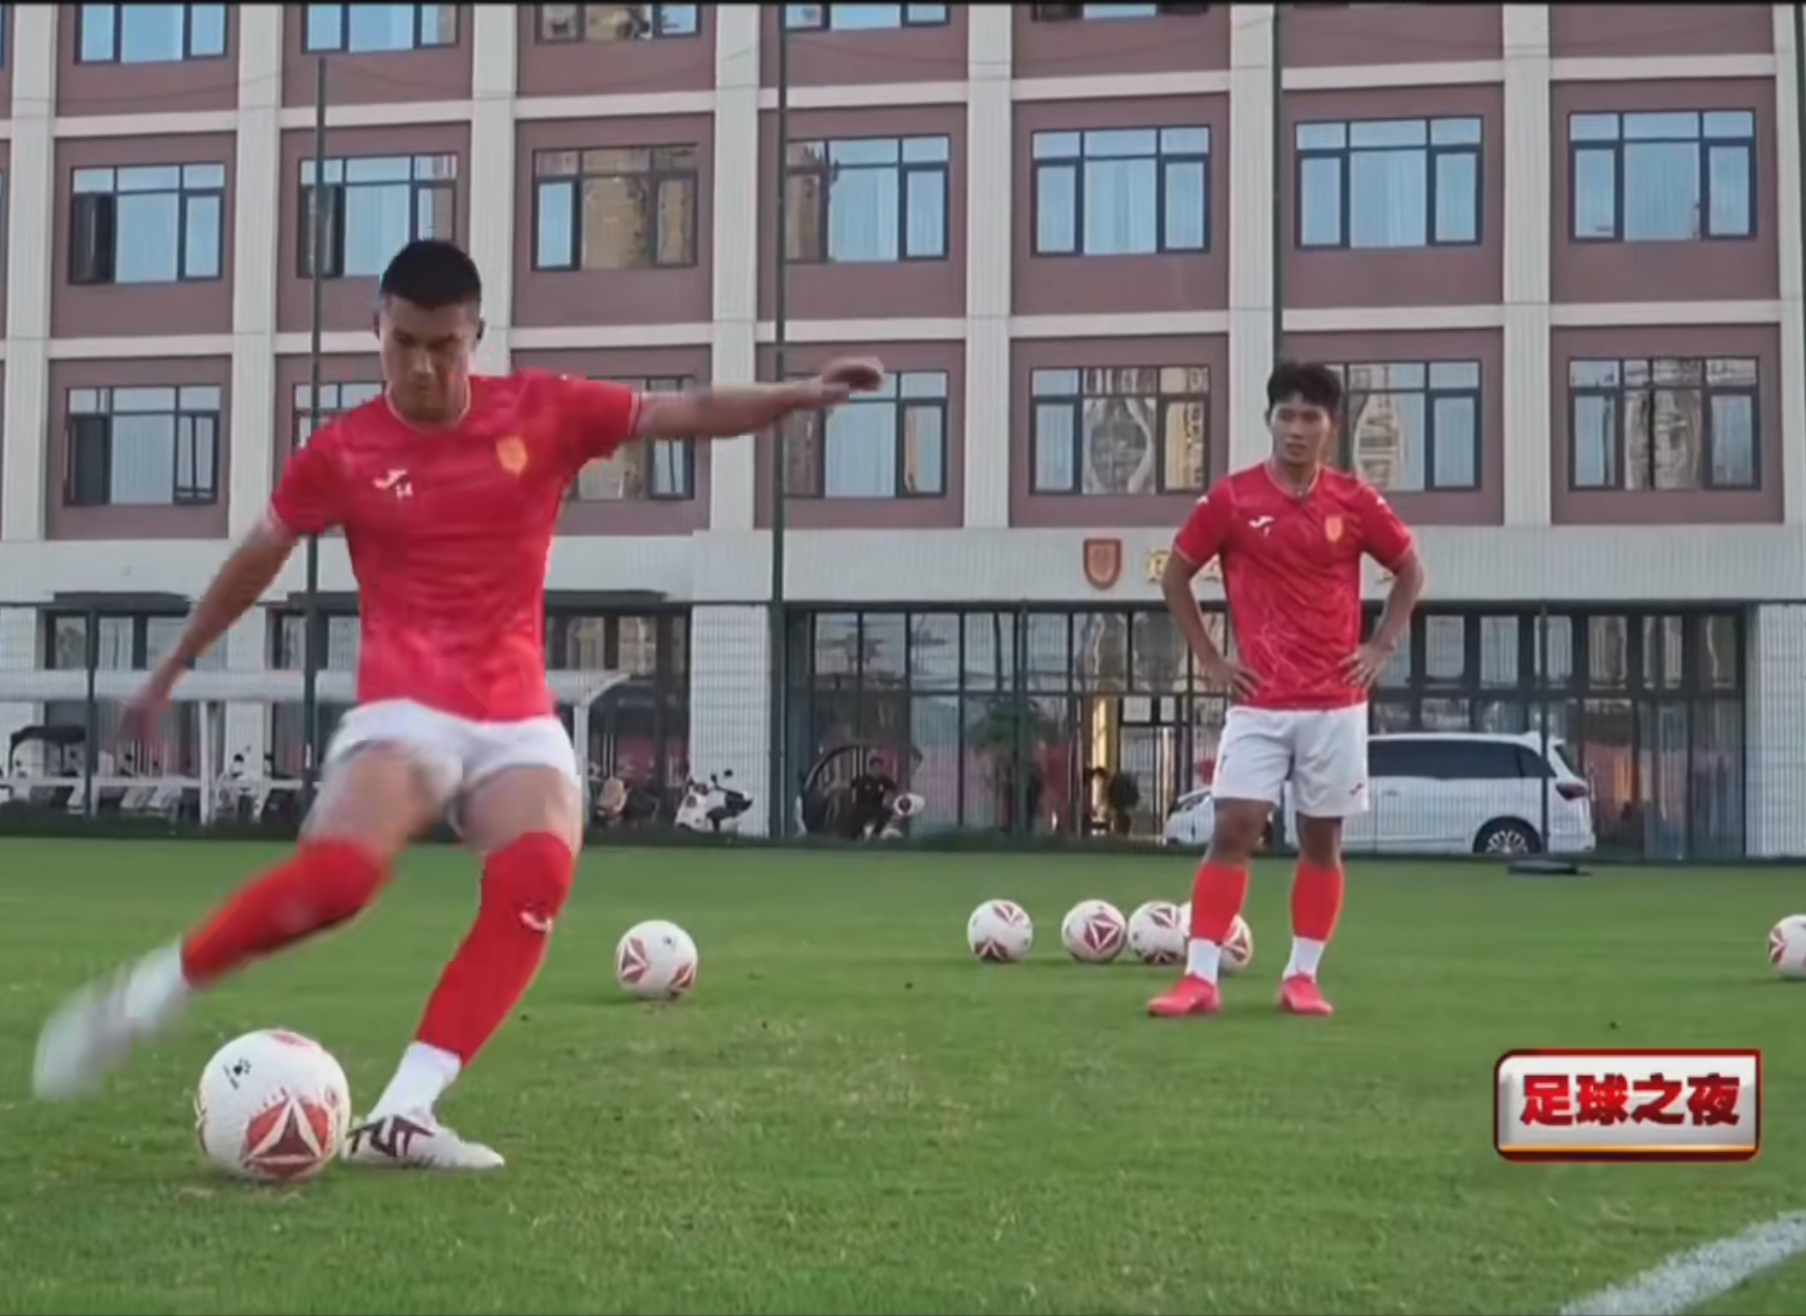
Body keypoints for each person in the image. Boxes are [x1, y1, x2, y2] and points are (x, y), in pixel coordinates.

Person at [31, 239, 885, 1171]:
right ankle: (146, 997)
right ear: (377, 331)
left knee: (538, 875)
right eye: (404, 343)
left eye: (444, 345)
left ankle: (405, 1115)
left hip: (514, 713)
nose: (424, 366)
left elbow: (681, 413)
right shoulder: (342, 452)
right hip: (404, 710)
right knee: (340, 883)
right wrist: (173, 663)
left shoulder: (544, 411)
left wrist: (797, 396)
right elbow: (258, 558)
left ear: (476, 335)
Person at [1148, 360, 1426, 1020]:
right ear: (1268, 421)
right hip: (1259, 701)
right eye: (1286, 416)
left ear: (1332, 427)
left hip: (1335, 704)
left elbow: (1410, 571)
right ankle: (1199, 978)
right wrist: (1211, 659)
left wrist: (1381, 646)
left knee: (1320, 839)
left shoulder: (1355, 502)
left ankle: (1302, 977)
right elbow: (1176, 575)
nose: (1296, 429)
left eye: (1310, 417)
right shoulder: (1232, 499)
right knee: (1233, 827)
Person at [845, 753, 898, 840]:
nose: (877, 770)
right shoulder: (862, 779)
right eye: (875, 767)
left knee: (888, 813)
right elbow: (848, 785)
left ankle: (875, 833)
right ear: (871, 768)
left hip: (876, 806)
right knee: (855, 815)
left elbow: (894, 789)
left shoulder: (884, 780)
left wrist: (889, 799)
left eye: (879, 768)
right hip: (862, 805)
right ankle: (855, 835)